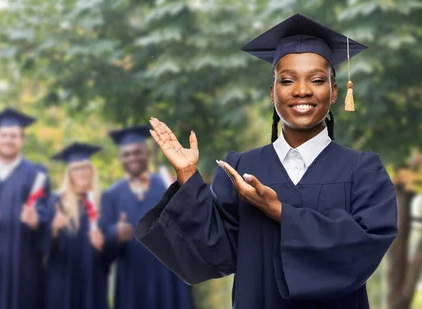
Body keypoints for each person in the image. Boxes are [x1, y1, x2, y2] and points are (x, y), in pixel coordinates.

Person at [135, 13, 398, 309]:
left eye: (317, 79)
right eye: (286, 80)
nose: (301, 90)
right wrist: (187, 176)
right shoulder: (241, 169)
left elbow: (364, 246)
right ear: (271, 93)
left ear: (334, 91)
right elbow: (211, 254)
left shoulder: (363, 171)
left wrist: (281, 212)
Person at [100, 125, 194, 309]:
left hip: (168, 277)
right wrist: (115, 235)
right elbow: (104, 255)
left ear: (147, 154)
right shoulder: (111, 196)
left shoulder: (168, 186)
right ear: (121, 159)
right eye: (126, 154)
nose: (132, 157)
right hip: (131, 280)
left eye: (137, 152)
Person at [0, 107, 52, 309]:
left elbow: (46, 214)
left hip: (26, 263)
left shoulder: (36, 174)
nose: (8, 140)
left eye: (14, 136)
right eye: (4, 135)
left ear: (22, 140)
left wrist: (36, 220)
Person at [44, 142, 109, 309]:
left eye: (84, 167)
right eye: (76, 169)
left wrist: (103, 245)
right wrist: (54, 230)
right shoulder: (56, 201)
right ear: (69, 174)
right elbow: (45, 247)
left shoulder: (102, 201)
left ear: (91, 171)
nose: (81, 173)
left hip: (93, 278)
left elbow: (112, 246)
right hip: (63, 277)